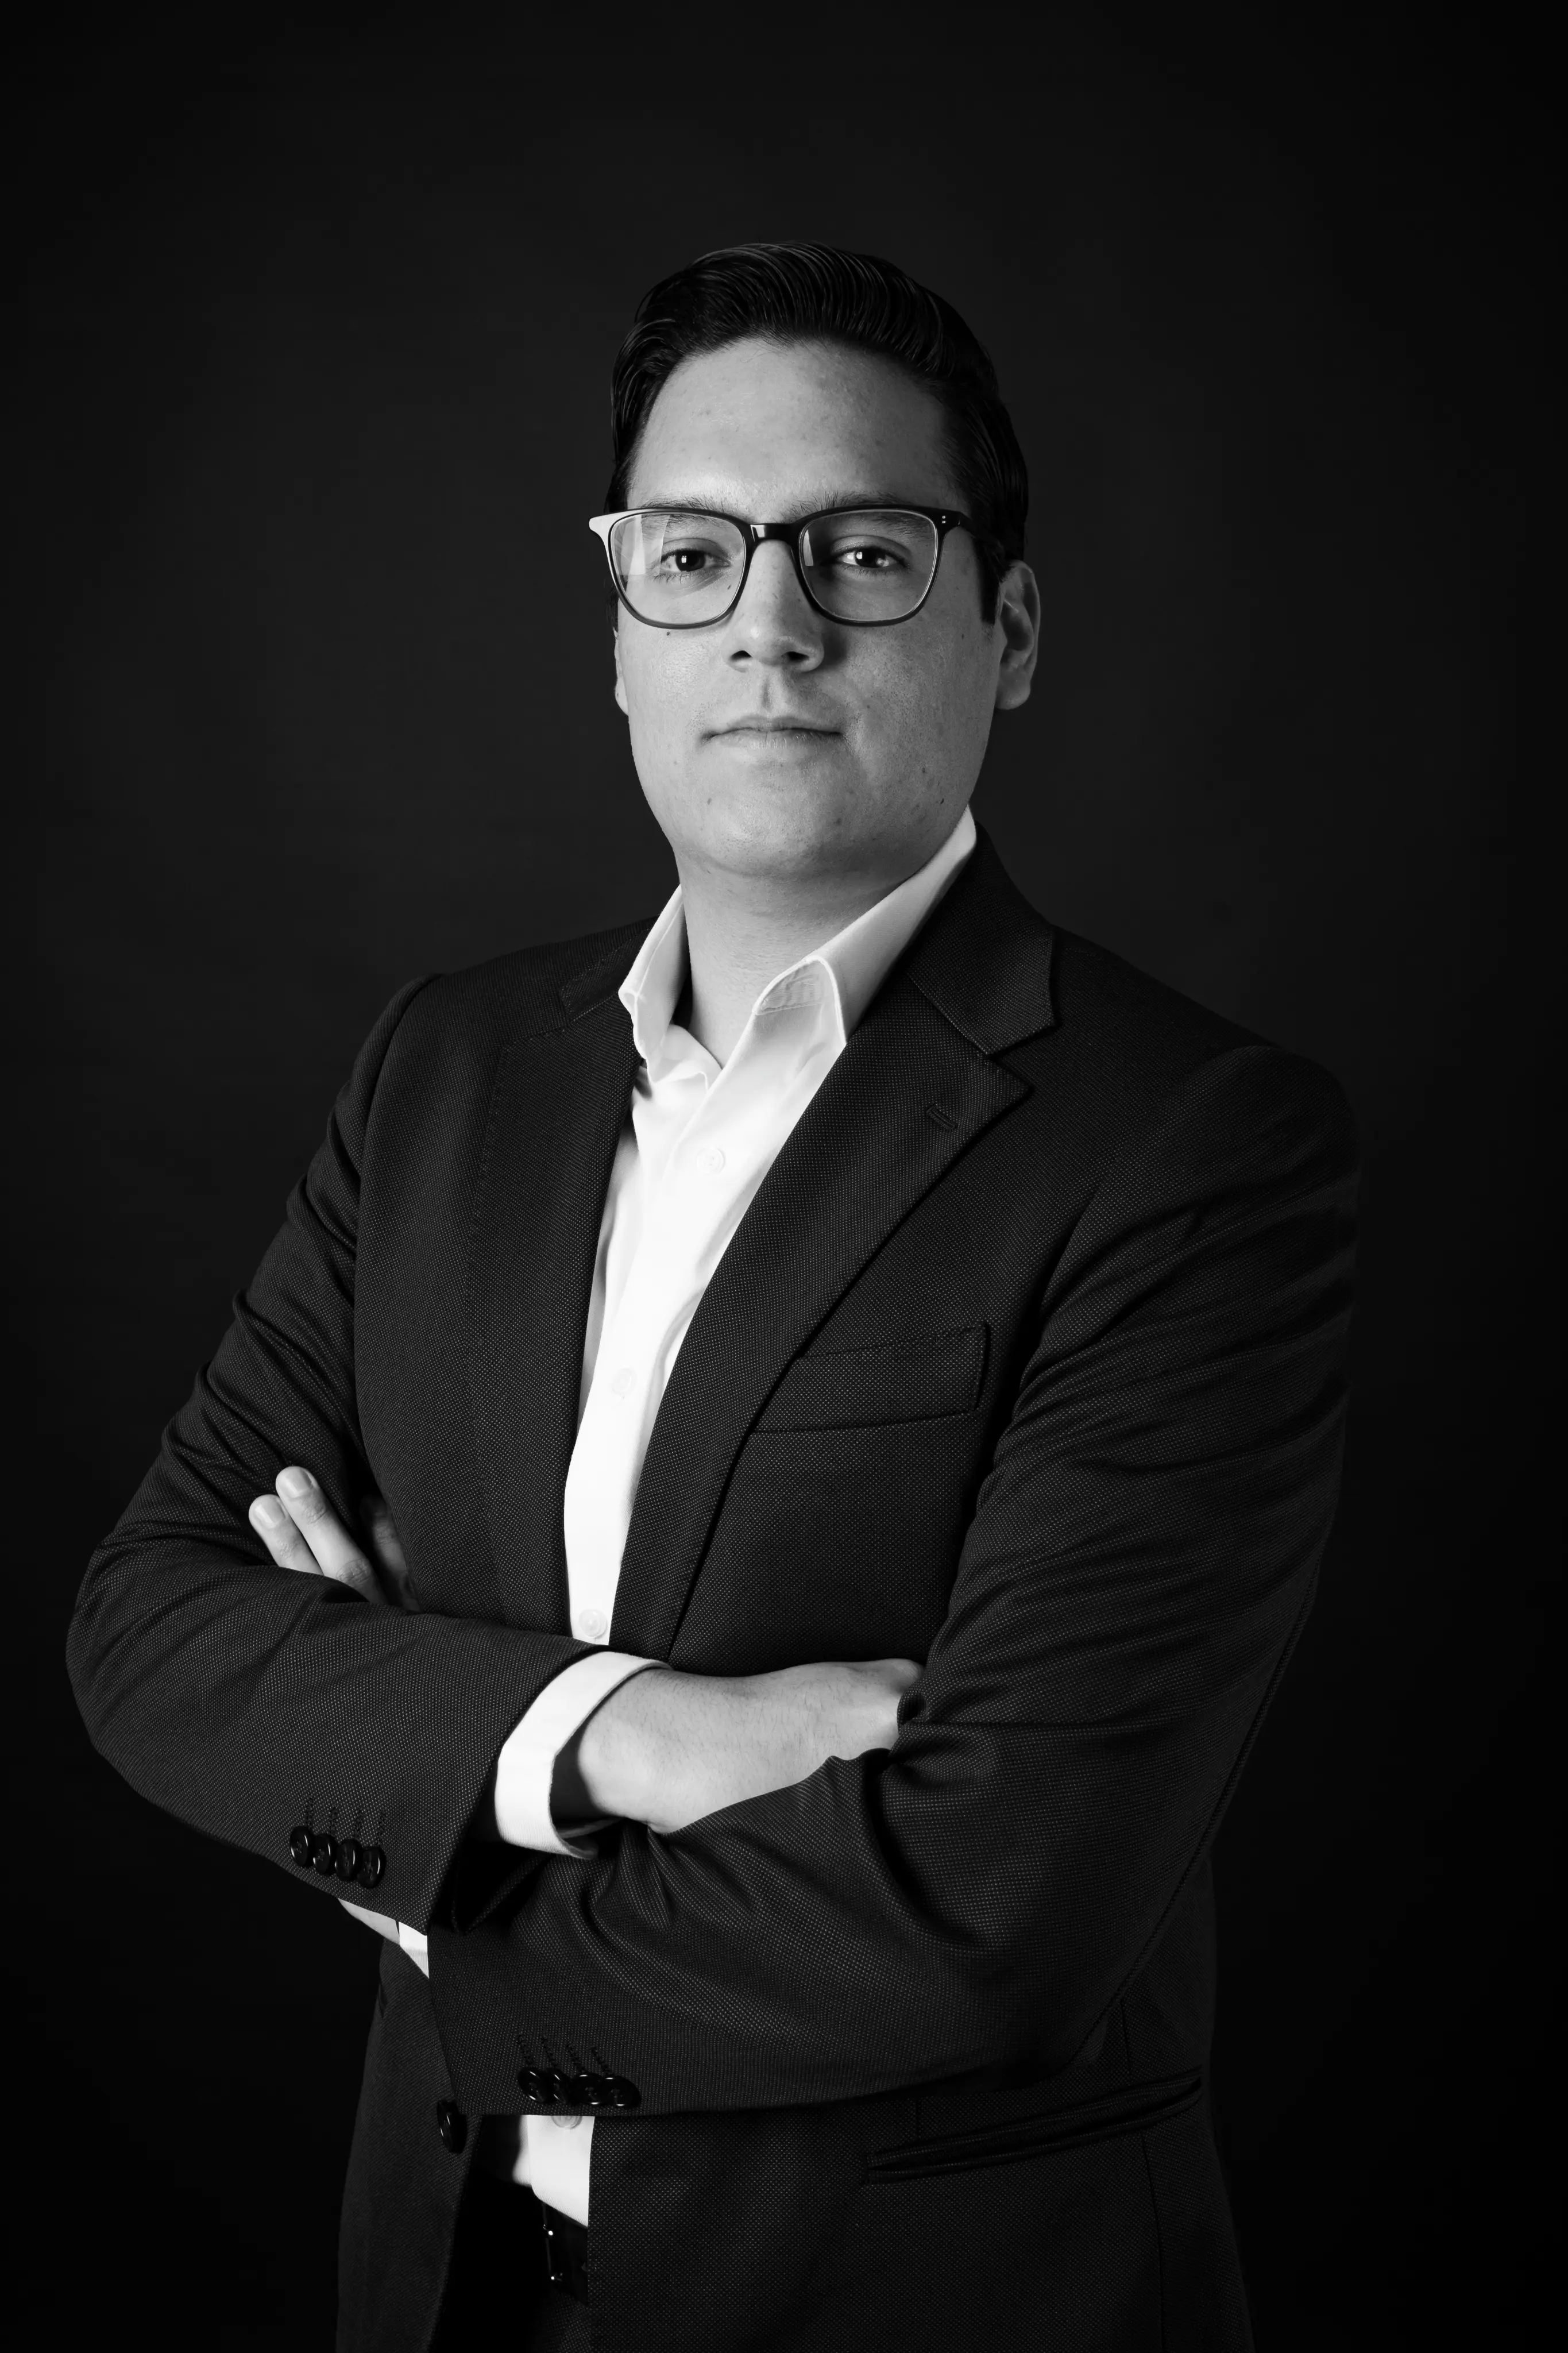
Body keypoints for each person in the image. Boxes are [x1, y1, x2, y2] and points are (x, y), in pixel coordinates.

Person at [68, 241, 1357, 2352]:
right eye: (692, 554)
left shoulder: (1193, 1146)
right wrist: (626, 1739)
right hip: (441, 2277)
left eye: (864, 550)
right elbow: (149, 1624)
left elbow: (988, 1912)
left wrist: (415, 1848)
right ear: (620, 634)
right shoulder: (446, 1070)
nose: (769, 621)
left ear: (1008, 628)